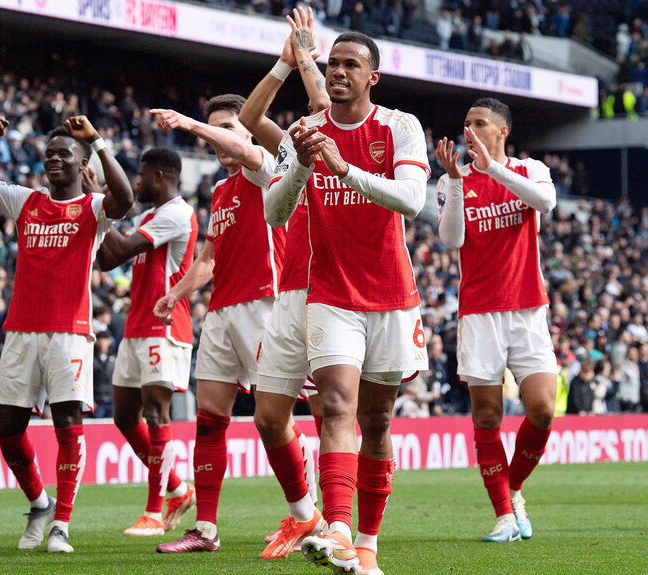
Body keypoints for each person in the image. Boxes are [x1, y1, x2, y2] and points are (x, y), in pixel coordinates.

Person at [266, 31, 430, 575]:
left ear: (371, 77)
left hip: (391, 293)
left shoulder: (400, 126)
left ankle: (367, 544)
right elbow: (274, 213)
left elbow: (411, 200)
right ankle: (336, 528)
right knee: (336, 405)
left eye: (349, 64)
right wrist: (304, 167)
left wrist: (344, 170)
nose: (337, 72)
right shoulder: (306, 132)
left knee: (377, 420)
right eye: (331, 63)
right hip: (330, 293)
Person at [0, 112, 133, 553]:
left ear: (81, 164)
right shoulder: (24, 200)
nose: (54, 159)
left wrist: (98, 141)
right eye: (49, 154)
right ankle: (39, 503)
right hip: (20, 332)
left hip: (69, 332)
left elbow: (124, 198)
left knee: (67, 424)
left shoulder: (92, 208)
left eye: (64, 153)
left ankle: (62, 525)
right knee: (8, 430)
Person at [151, 94, 285, 553]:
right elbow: (208, 259)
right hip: (223, 311)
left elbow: (246, 151)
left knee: (279, 418)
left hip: (266, 306)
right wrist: (176, 292)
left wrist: (189, 123)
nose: (221, 137)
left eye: (229, 126)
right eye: (215, 129)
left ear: (248, 127)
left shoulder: (263, 167)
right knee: (209, 421)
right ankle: (205, 530)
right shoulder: (223, 190)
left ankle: (309, 514)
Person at [436, 97, 557, 543]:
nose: (469, 129)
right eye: (466, 122)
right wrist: (454, 178)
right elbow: (451, 240)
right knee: (487, 417)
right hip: (479, 313)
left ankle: (514, 486)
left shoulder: (530, 170)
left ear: (502, 130)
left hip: (527, 308)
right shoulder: (455, 180)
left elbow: (544, 202)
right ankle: (505, 516)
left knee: (542, 409)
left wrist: (494, 169)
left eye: (480, 122)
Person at [238, 7, 331, 560]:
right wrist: (282, 61)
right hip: (290, 292)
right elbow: (251, 117)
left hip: (335, 292)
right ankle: (306, 515)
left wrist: (307, 57)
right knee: (270, 416)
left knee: (335, 414)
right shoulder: (294, 142)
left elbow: (322, 103)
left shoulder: (346, 131)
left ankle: (345, 525)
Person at [95, 147, 197, 537]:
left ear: (159, 175)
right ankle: (176, 487)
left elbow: (120, 247)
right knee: (124, 417)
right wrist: (98, 214)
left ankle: (154, 512)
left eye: (139, 175)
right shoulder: (148, 216)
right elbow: (107, 261)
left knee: (156, 415)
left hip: (164, 325)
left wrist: (100, 211)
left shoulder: (177, 213)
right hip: (136, 328)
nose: (135, 183)